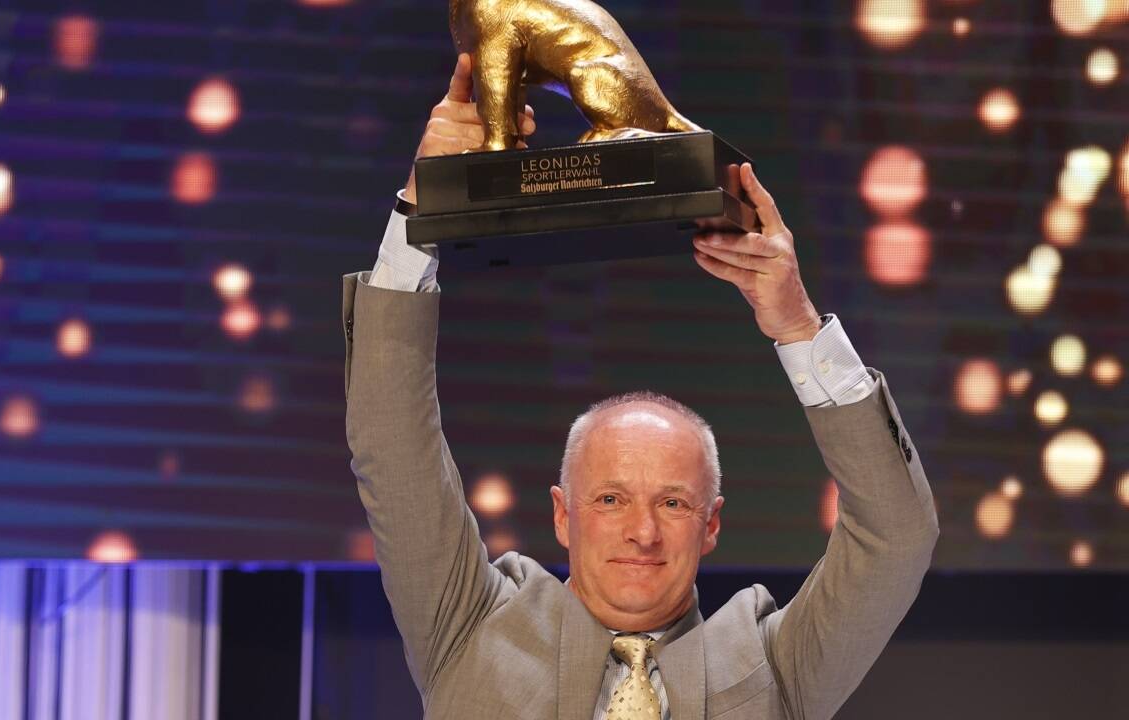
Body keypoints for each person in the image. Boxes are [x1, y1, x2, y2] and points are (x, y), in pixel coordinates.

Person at [343, 53, 938, 720]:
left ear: (712, 523)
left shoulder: (774, 665)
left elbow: (896, 533)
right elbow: (393, 448)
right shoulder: (469, 624)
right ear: (563, 515)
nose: (643, 532)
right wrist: (422, 212)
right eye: (610, 498)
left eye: (675, 504)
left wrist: (798, 325)